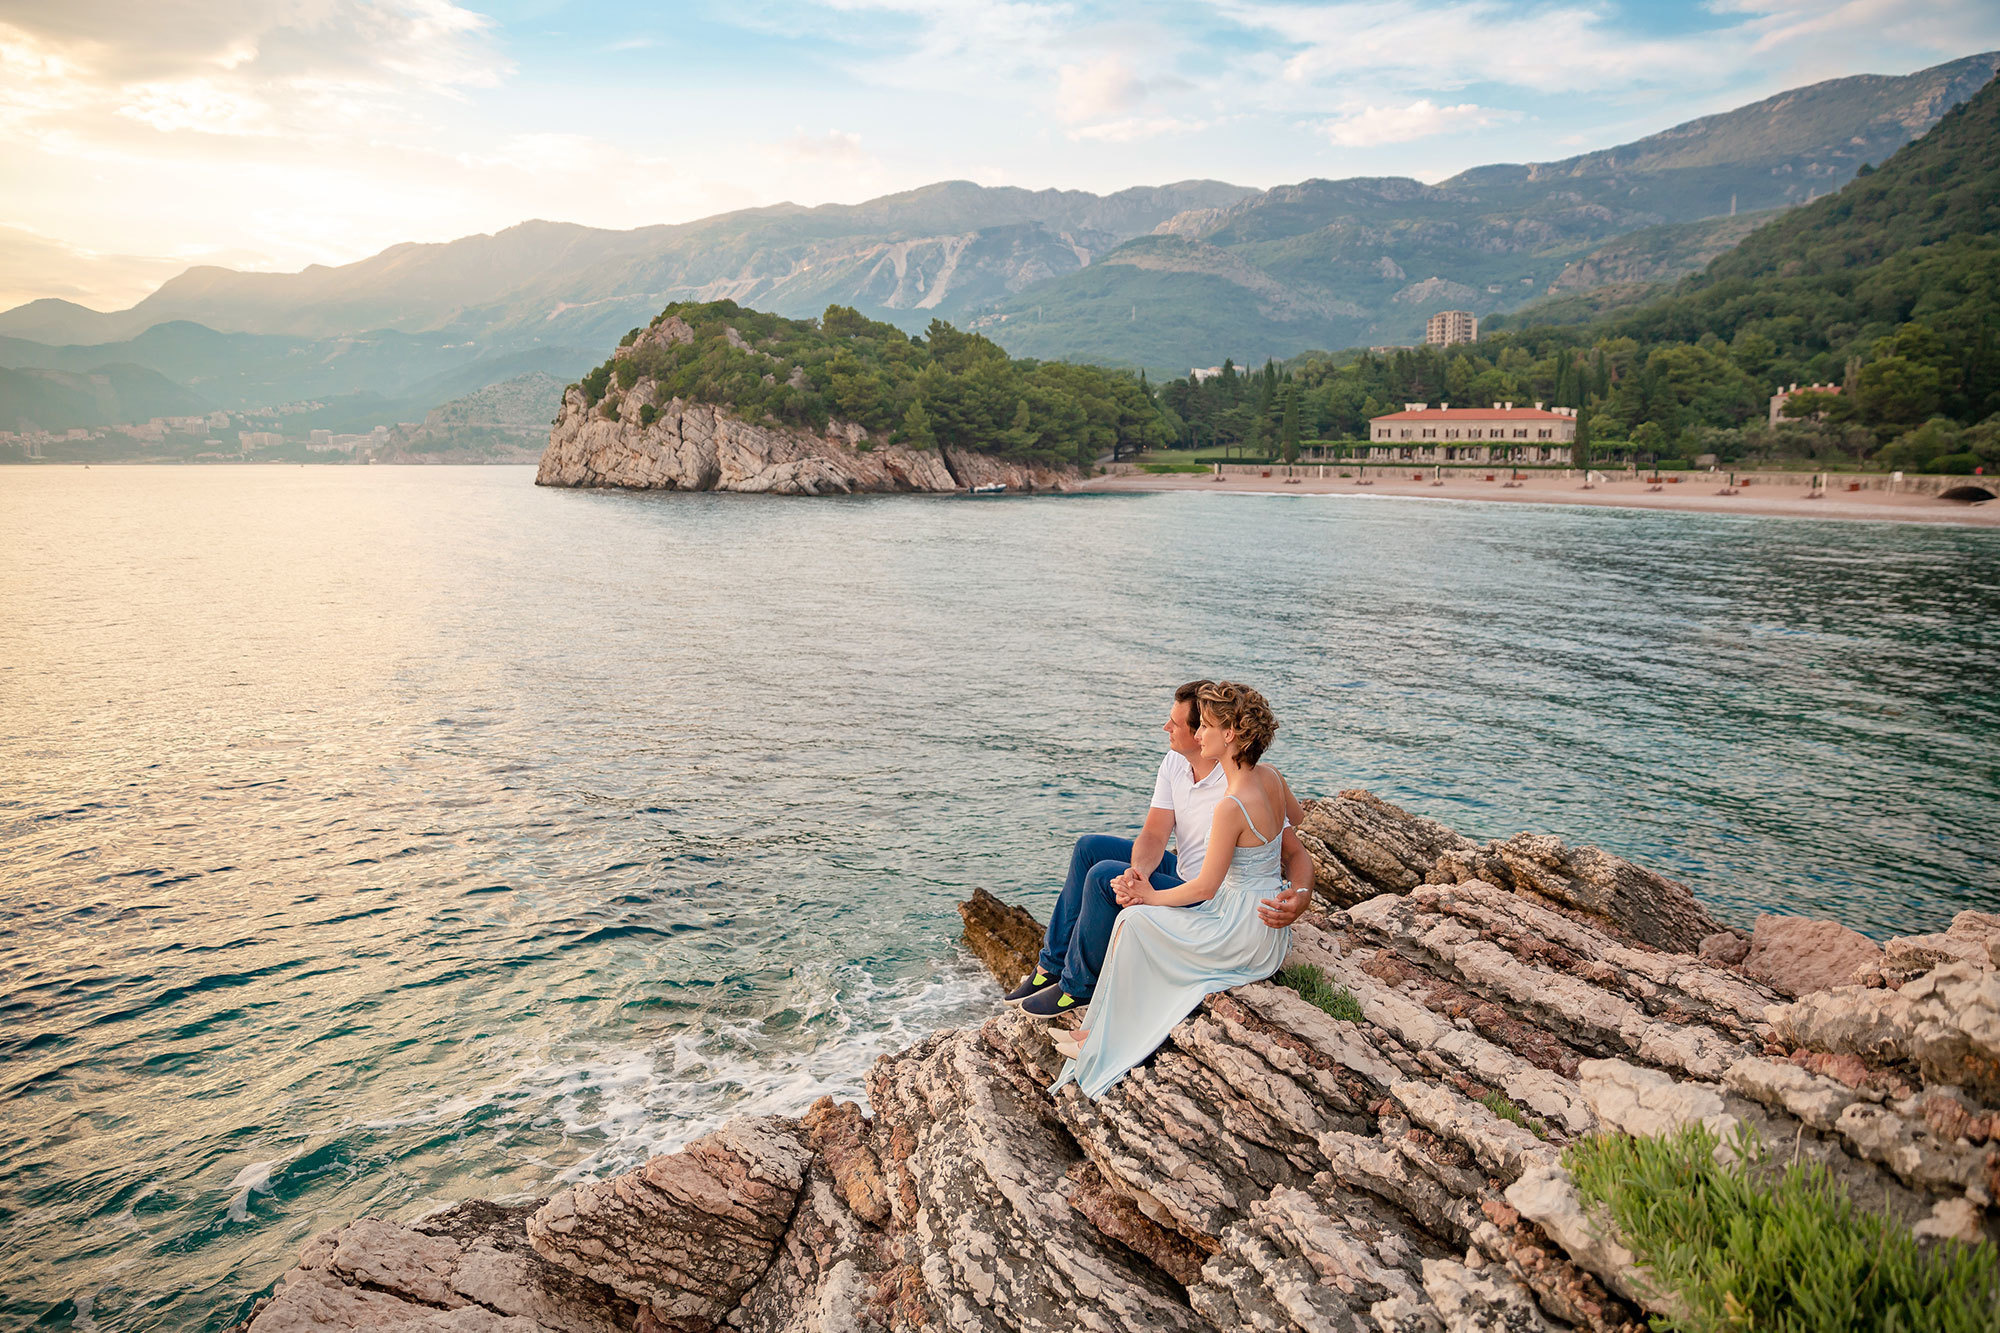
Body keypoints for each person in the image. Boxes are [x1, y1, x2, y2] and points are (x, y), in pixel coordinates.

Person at [1004, 681, 1314, 1021]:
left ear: (1205, 732)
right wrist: (1137, 874)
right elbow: (1154, 831)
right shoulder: (1174, 763)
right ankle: (1051, 965)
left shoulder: (1240, 786)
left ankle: (1078, 988)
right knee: (1089, 849)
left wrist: (1301, 893)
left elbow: (1292, 851)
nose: (1166, 728)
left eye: (1178, 724)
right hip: (1182, 872)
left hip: (1207, 897)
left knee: (1101, 878)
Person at [1050, 681, 1297, 1098]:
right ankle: (1088, 1019)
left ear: (1230, 734)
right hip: (1261, 920)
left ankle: (1097, 1033)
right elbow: (1297, 824)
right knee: (1126, 905)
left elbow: (1206, 884)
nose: (1199, 735)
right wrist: (1293, 890)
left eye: (1207, 727)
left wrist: (1149, 896)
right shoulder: (1270, 777)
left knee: (1134, 921)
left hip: (1239, 925)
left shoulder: (1232, 804)